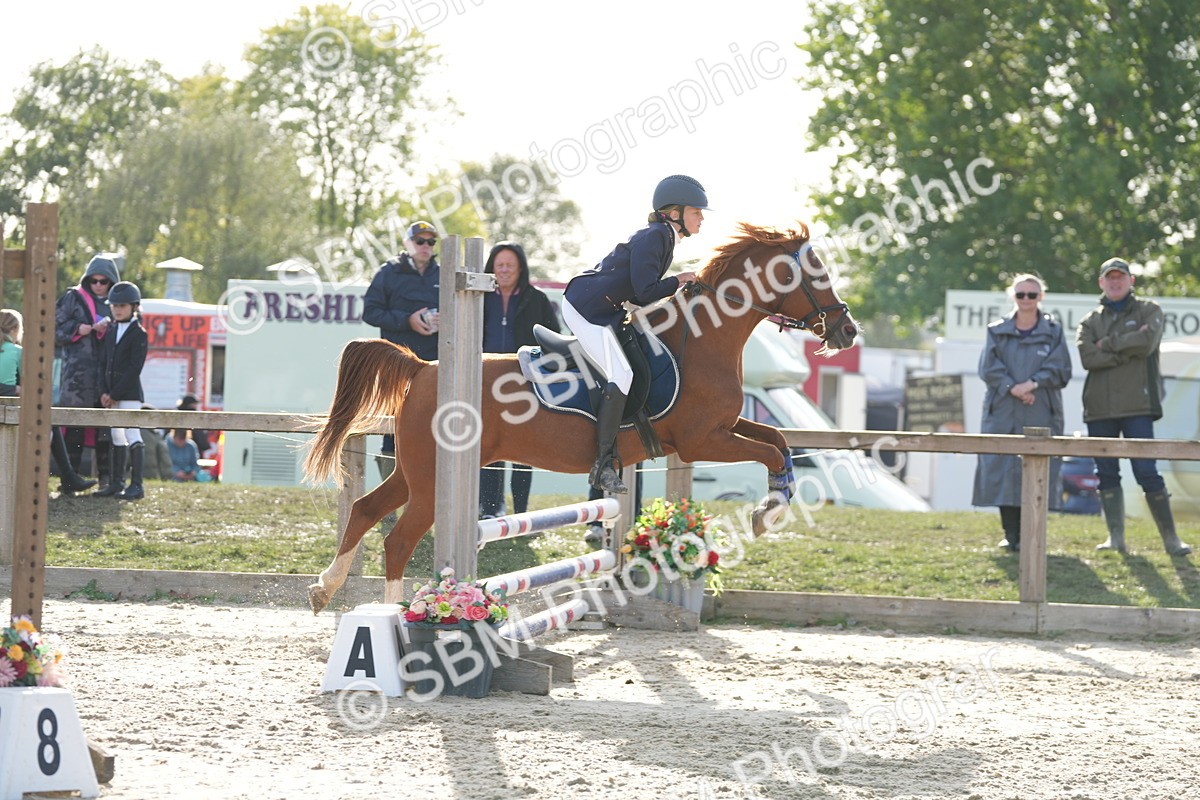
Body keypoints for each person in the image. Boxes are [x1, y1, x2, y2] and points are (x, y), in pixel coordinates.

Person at [562, 175, 704, 494]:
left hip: (603, 309)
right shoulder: (656, 236)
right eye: (696, 211)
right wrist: (679, 279)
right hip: (586, 308)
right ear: (675, 213)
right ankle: (602, 465)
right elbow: (645, 292)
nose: (701, 218)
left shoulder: (664, 237)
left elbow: (641, 294)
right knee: (622, 374)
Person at [1077, 257, 1191, 556]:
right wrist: (1126, 349)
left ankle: (1171, 540)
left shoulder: (1149, 310)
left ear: (1131, 281)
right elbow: (1088, 358)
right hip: (1099, 408)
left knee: (1146, 471)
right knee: (1106, 473)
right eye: (1110, 278)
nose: (1115, 282)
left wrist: (1107, 344)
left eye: (1120, 277)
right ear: (1101, 282)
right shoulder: (1090, 321)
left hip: (1138, 405)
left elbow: (1147, 343)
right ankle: (1115, 538)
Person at [971, 275, 1072, 551]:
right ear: (1012, 296)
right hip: (1004, 409)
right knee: (1002, 467)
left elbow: (1061, 368)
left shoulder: (1053, 331)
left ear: (1041, 297)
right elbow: (988, 367)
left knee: (1038, 468)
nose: (1026, 299)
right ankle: (1010, 534)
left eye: (1032, 294)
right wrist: (1012, 388)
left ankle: (1032, 536)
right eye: (1020, 294)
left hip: (1041, 409)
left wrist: (1033, 384)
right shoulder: (997, 330)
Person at [477, 241, 561, 518]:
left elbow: (553, 338)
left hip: (523, 383)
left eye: (509, 265)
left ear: (520, 268)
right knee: (487, 445)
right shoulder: (478, 297)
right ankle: (490, 509)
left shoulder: (537, 299)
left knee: (523, 448)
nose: (504, 270)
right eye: (499, 265)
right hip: (485, 381)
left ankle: (521, 513)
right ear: (491, 268)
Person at [363, 220, 441, 477]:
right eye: (420, 241)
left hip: (433, 367)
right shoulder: (389, 272)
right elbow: (370, 312)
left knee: (432, 427)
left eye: (431, 242)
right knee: (392, 430)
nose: (425, 246)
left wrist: (445, 320)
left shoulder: (444, 274)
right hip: (396, 367)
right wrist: (408, 320)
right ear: (408, 243)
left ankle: (425, 493)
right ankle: (390, 497)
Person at [0, 308, 96, 494]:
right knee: (49, 422)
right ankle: (68, 475)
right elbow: (32, 385)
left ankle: (68, 476)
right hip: (10, 408)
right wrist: (17, 389)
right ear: (15, 329)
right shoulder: (17, 351)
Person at [55, 254, 120, 489]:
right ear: (87, 279)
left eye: (104, 281)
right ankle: (69, 479)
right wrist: (78, 328)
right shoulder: (73, 297)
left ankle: (106, 480)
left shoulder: (120, 301)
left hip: (107, 375)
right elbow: (53, 328)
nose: (99, 285)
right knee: (74, 426)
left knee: (105, 428)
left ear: (112, 282)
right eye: (94, 281)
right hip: (77, 376)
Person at [95, 281, 148, 500]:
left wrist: (114, 394)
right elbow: (103, 363)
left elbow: (135, 369)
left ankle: (137, 484)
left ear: (134, 306)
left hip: (129, 394)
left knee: (132, 433)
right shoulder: (112, 330)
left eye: (122, 305)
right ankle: (117, 482)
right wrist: (104, 391)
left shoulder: (139, 333)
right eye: (114, 305)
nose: (117, 309)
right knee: (116, 434)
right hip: (111, 393)